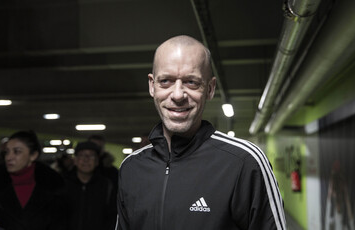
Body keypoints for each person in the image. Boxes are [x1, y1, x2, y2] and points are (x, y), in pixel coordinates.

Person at [116, 35, 286, 230]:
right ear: (151, 86)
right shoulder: (131, 168)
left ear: (210, 89)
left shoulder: (245, 162)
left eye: (191, 82)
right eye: (165, 81)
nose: (178, 95)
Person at [0, 130, 67, 230]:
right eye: (7, 152)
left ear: (33, 155)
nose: (9, 157)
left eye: (17, 151)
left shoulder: (54, 185)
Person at [64, 141, 117, 230]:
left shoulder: (106, 186)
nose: (86, 159)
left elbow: (112, 217)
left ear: (97, 161)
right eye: (82, 155)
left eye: (91, 156)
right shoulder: (63, 185)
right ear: (75, 160)